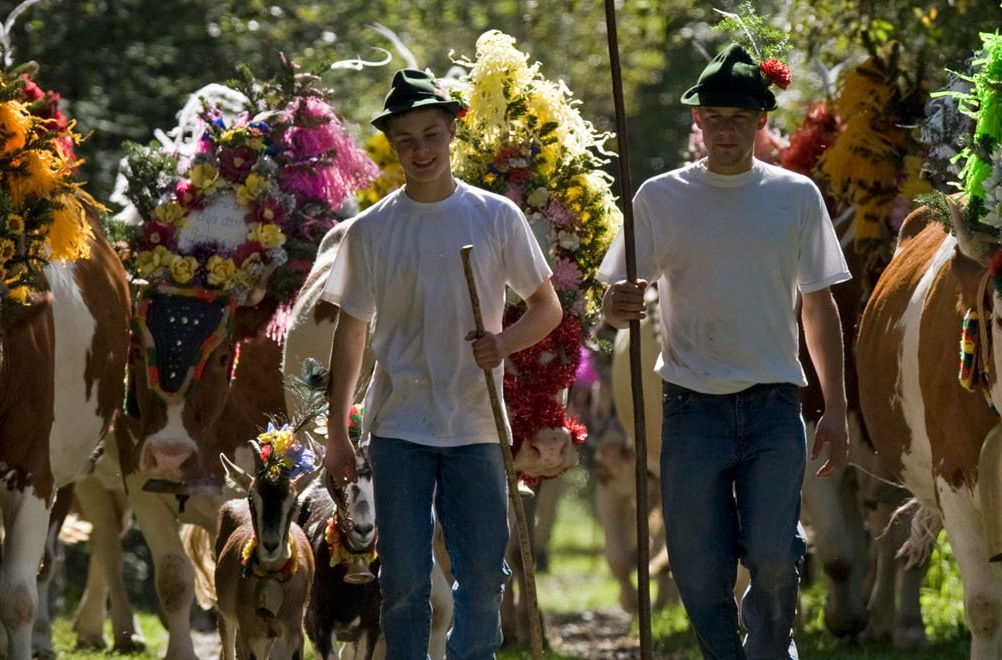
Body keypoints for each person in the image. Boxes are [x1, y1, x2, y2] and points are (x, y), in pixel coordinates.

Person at [598, 43, 852, 660]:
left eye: (739, 118)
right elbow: (616, 295)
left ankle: (769, 648)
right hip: (690, 409)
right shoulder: (660, 197)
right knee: (698, 570)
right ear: (696, 122)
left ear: (761, 122)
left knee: (771, 556)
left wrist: (838, 410)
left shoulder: (795, 198)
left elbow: (819, 307)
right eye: (714, 117)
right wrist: (616, 307)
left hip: (771, 405)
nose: (725, 129)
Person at [321, 68, 563, 660]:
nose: (420, 150)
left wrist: (500, 345)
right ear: (393, 144)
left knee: (483, 575)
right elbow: (351, 337)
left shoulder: (495, 216)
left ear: (453, 130)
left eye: (430, 134)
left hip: (478, 424)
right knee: (402, 581)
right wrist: (336, 436)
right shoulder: (370, 231)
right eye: (406, 140)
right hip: (399, 425)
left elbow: (545, 309)